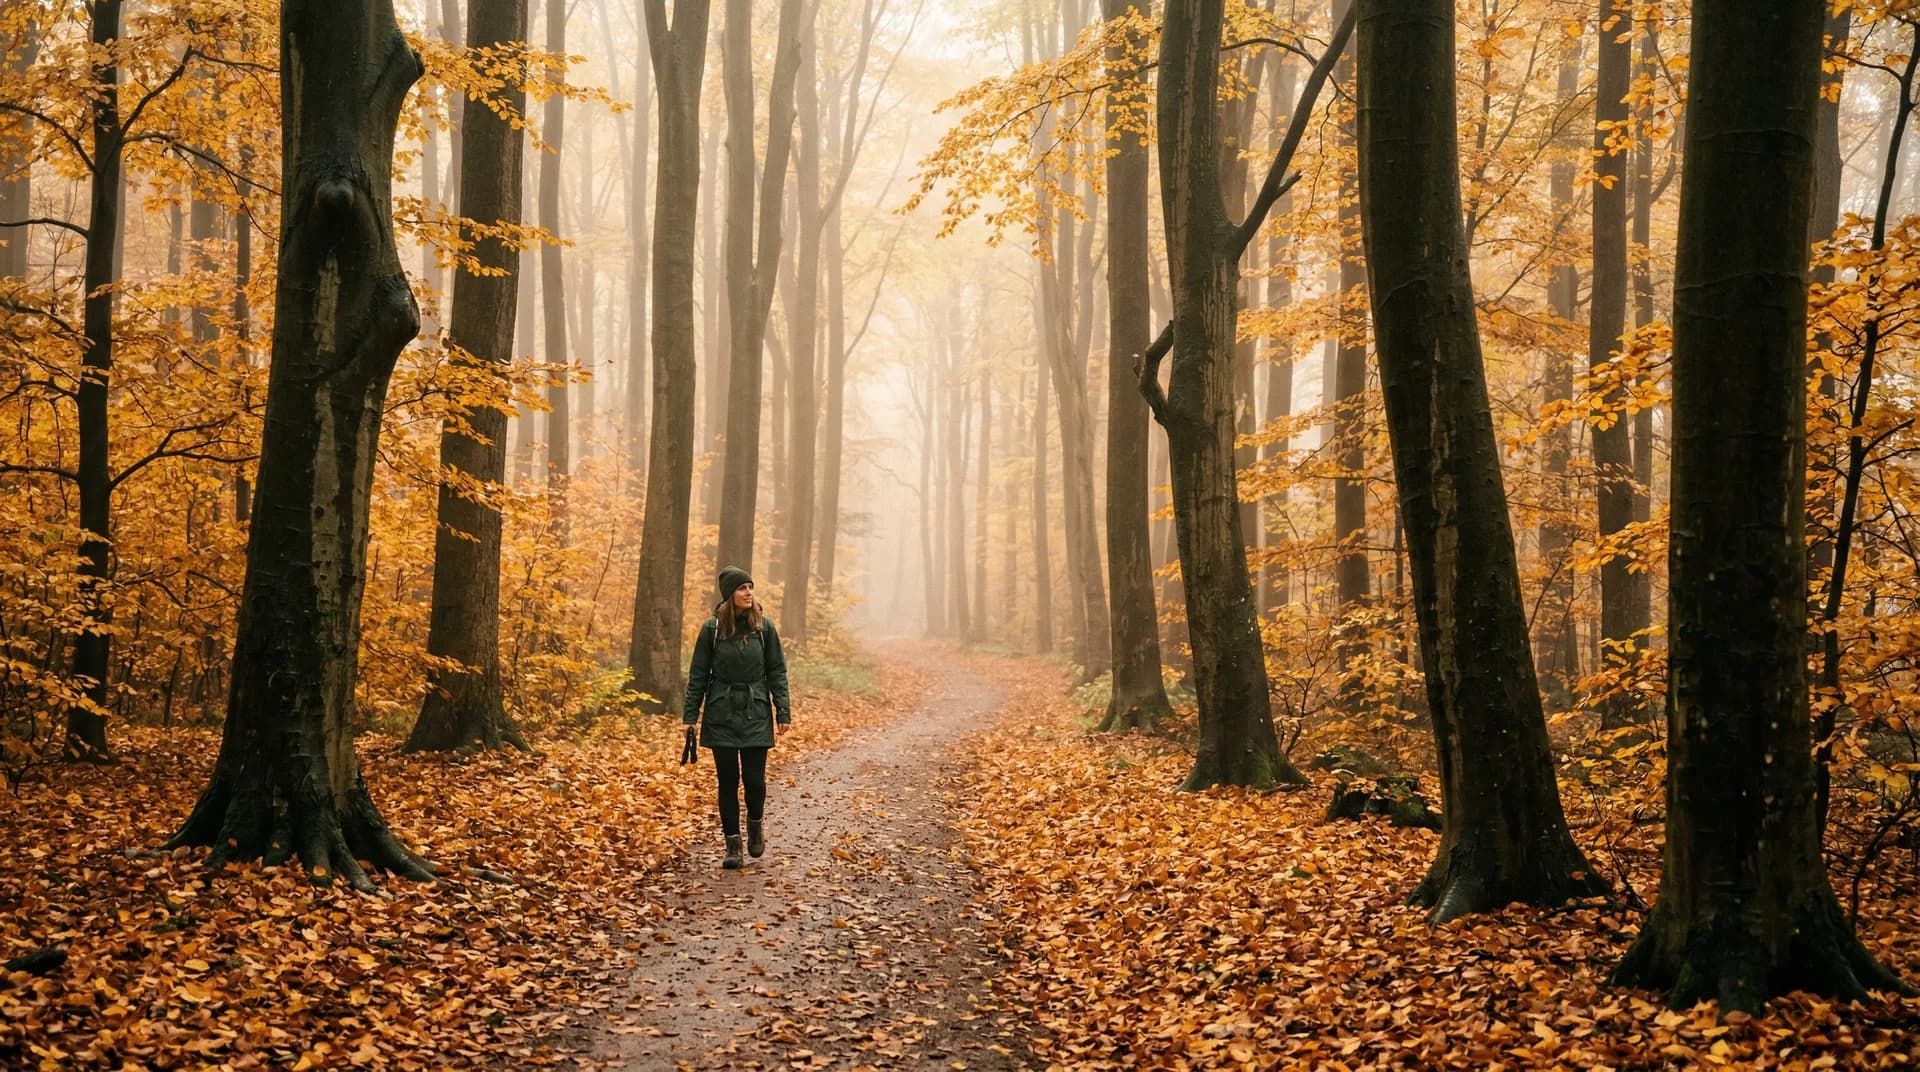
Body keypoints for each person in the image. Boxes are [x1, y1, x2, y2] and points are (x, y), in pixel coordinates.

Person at [682, 566, 791, 869]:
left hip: (756, 709)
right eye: (742, 588)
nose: (748, 593)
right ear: (729, 594)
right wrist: (690, 717)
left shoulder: (764, 628)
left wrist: (782, 710)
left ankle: (755, 825)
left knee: (754, 781)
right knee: (727, 780)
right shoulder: (712, 629)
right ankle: (733, 847)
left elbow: (777, 671)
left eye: (750, 587)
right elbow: (698, 674)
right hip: (722, 711)